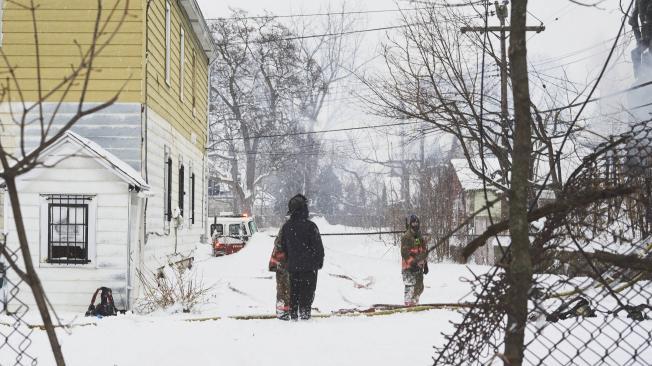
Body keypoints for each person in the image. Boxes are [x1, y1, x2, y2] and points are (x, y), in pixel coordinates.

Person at [280, 194, 324, 320]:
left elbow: (283, 247)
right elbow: (319, 248)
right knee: (307, 294)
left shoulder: (287, 227)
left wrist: (290, 260)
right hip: (309, 269)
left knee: (294, 294)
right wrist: (319, 262)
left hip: (293, 268)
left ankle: (294, 315)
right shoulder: (311, 227)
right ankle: (304, 315)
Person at [400, 214, 428, 306]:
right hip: (409, 266)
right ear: (410, 224)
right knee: (410, 285)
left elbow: (423, 250)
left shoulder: (419, 236)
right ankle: (408, 303)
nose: (415, 224)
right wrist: (412, 264)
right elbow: (404, 253)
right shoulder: (407, 237)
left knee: (419, 286)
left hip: (419, 266)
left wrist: (425, 264)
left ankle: (415, 302)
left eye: (417, 222)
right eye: (413, 223)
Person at [268, 227, 290, 320]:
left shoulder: (285, 229)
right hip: (296, 266)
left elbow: (278, 245)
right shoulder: (305, 227)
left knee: (283, 290)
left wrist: (274, 264)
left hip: (283, 266)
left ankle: (282, 312)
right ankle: (293, 310)